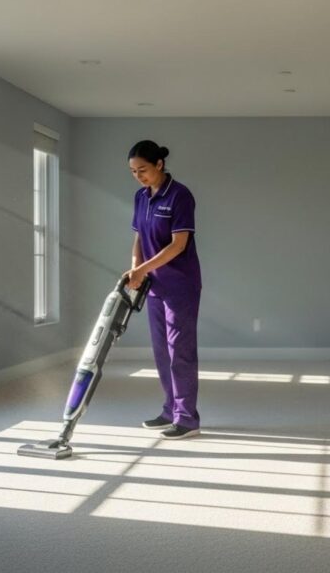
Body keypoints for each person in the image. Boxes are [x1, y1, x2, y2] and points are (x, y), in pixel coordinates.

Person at [123, 140, 203, 439]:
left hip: (180, 284)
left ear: (159, 165)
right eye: (133, 172)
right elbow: (139, 239)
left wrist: (142, 269)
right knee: (161, 352)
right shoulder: (141, 197)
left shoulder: (180, 195)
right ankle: (170, 409)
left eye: (142, 169)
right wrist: (135, 268)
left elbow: (178, 244)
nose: (138, 176)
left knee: (179, 351)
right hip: (154, 286)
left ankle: (187, 418)